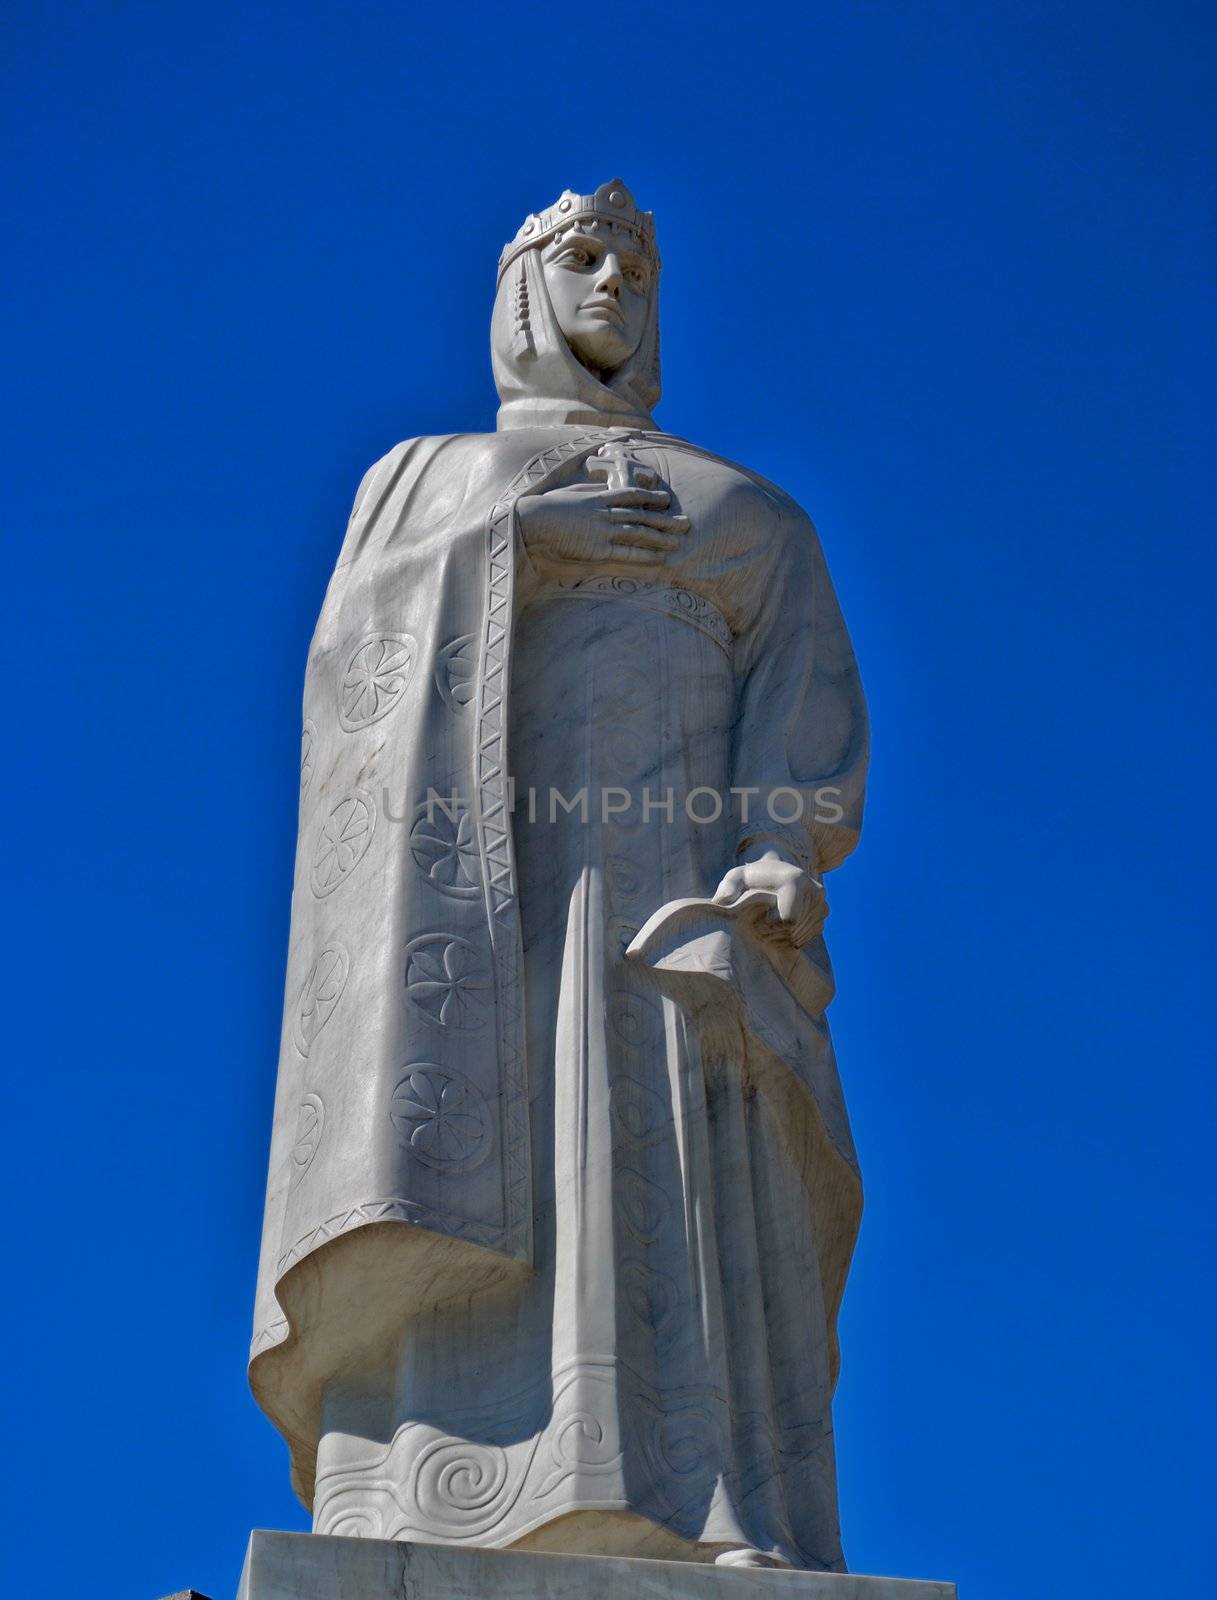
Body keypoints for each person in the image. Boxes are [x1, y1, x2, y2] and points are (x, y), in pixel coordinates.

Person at [251, 179, 868, 1571]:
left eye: (635, 270)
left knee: (676, 1164)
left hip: (672, 906)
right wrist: (514, 544)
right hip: (479, 908)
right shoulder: (430, 478)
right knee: (487, 1150)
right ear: (523, 287)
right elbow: (353, 664)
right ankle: (428, 1494)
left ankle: (714, 1508)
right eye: (580, 258)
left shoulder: (746, 513)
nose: (611, 287)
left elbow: (801, 708)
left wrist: (777, 854)